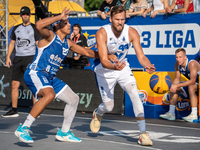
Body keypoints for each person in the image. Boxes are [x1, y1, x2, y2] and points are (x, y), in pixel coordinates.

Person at [14, 7, 100, 144]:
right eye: (66, 23)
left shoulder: (68, 43)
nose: (69, 25)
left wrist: (106, 56)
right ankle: (23, 128)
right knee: (49, 94)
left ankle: (64, 132)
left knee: (74, 99)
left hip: (49, 77)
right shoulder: (49, 36)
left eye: (69, 23)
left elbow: (88, 52)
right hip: (35, 72)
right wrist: (60, 16)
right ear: (57, 25)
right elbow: (38, 25)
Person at [90, 5, 155, 146]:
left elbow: (141, 55)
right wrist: (114, 66)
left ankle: (143, 133)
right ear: (111, 19)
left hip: (123, 68)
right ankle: (98, 113)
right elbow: (103, 60)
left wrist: (147, 65)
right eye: (117, 19)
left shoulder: (132, 32)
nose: (120, 22)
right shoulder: (102, 33)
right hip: (105, 70)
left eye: (122, 19)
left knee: (134, 94)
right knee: (109, 107)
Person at [1, 6, 40, 118]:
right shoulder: (16, 28)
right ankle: (14, 110)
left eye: (27, 14)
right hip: (18, 58)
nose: (25, 16)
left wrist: (38, 58)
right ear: (21, 15)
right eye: (23, 14)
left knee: (32, 84)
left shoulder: (34, 27)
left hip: (30, 57)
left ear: (30, 15)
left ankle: (35, 110)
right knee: (14, 84)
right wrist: (8, 57)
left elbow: (38, 43)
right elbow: (12, 43)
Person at [159, 48, 199, 122]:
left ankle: (194, 115)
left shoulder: (192, 63)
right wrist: (174, 86)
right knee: (174, 87)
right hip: (195, 84)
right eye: (176, 57)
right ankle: (171, 113)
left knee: (191, 87)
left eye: (180, 57)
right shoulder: (177, 64)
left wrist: (177, 85)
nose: (178, 59)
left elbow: (193, 81)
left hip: (197, 83)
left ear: (185, 57)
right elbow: (177, 78)